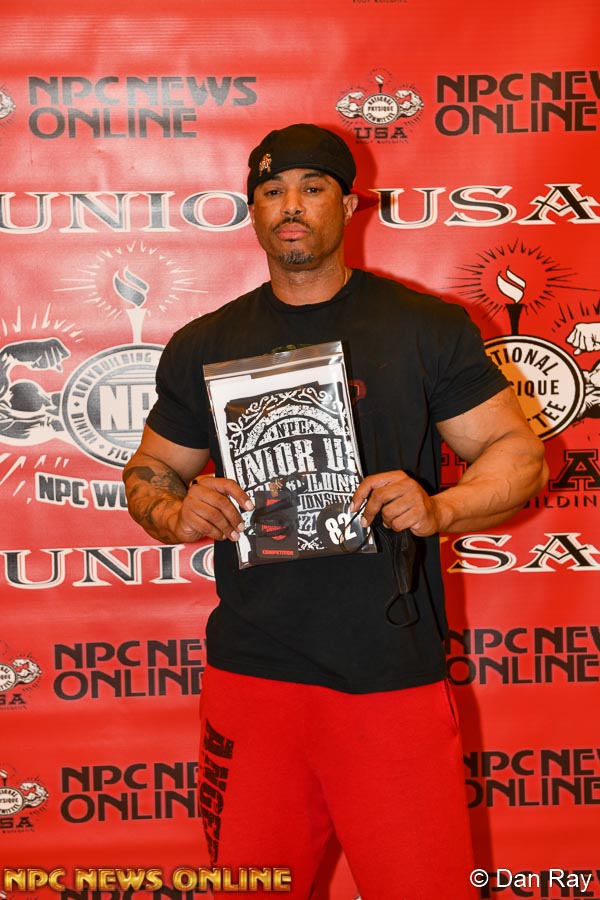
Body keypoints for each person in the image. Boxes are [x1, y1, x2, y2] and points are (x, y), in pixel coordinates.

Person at [123, 123, 547, 899]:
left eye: (312, 188)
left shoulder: (424, 327)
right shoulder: (203, 343)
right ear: (252, 210)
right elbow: (149, 471)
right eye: (272, 190)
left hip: (389, 673)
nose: (291, 205)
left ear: (348, 206)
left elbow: (518, 455)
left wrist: (441, 507)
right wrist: (174, 508)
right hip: (254, 676)